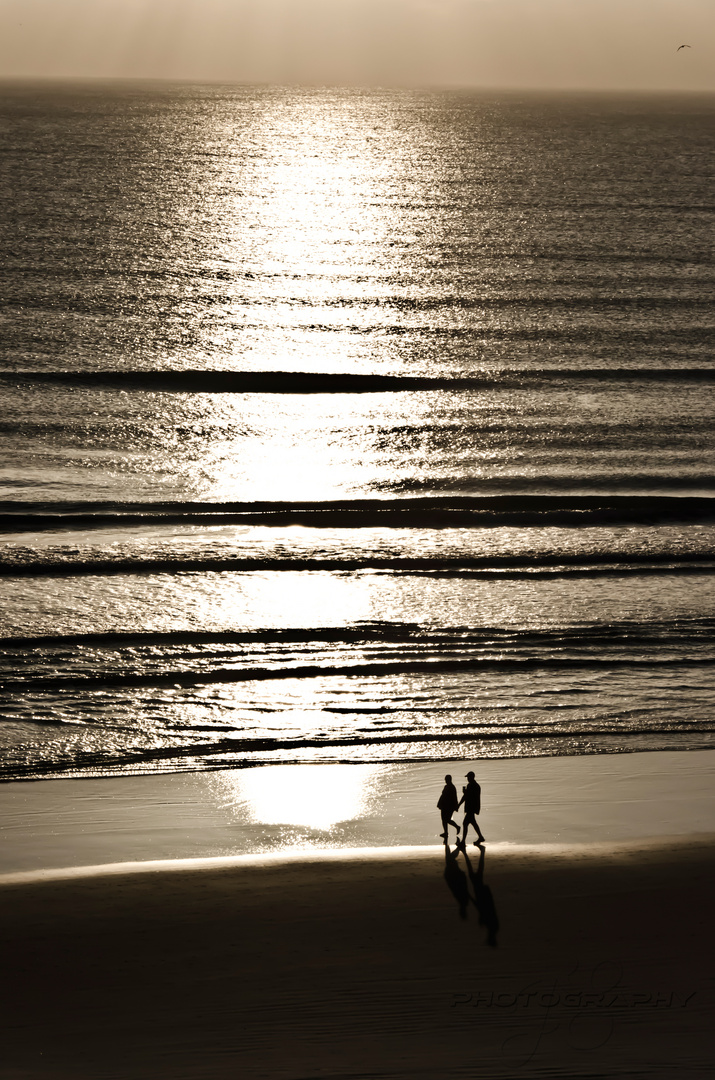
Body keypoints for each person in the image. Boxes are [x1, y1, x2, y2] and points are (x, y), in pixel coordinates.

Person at [458, 770, 485, 846]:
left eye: (468, 777)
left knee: (465, 823)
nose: (467, 779)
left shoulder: (471, 785)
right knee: (473, 823)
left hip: (471, 807)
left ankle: (463, 842)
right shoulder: (476, 785)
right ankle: (480, 837)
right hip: (474, 807)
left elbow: (467, 797)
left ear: (471, 777)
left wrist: (459, 803)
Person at [437, 774, 460, 840]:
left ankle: (457, 827)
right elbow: (443, 796)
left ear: (449, 780)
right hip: (444, 806)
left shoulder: (451, 787)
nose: (445, 781)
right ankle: (446, 832)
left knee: (447, 820)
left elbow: (454, 797)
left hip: (449, 806)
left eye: (446, 779)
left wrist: (456, 806)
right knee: (444, 819)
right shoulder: (447, 786)